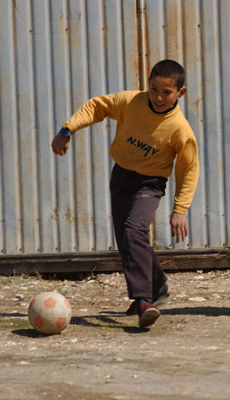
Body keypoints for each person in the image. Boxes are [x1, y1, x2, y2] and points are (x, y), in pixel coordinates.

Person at [51, 60, 199, 328]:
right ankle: (157, 287)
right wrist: (67, 129)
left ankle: (143, 300)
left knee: (133, 230)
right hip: (121, 176)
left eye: (166, 93)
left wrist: (180, 209)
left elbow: (189, 169)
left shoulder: (180, 128)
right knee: (128, 238)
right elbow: (97, 106)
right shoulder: (131, 101)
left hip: (150, 183)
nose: (158, 98)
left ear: (181, 93)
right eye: (154, 89)